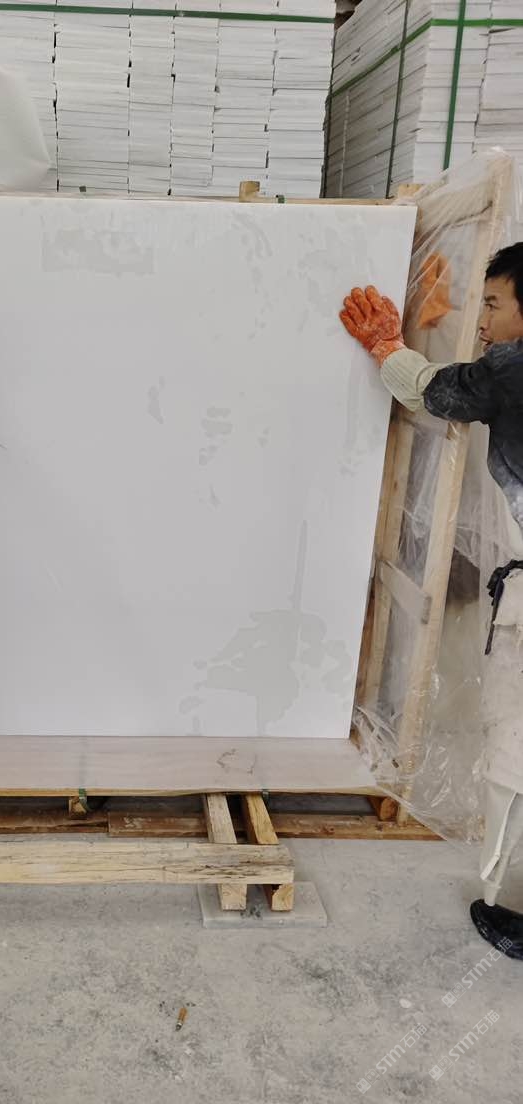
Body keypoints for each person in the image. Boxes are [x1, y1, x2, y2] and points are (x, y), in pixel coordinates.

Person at [340, 244, 523, 960]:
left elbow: (437, 393)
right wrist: (438, 324)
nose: (484, 319)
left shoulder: (515, 367)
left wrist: (388, 345)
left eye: (494, 304)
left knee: (517, 745)